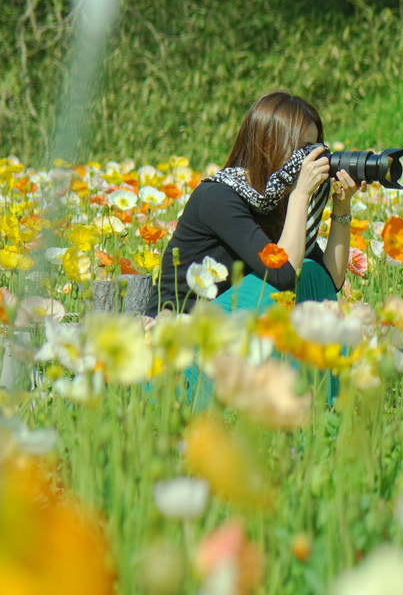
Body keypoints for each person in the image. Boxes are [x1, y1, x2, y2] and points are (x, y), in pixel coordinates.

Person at [144, 90, 364, 406]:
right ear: (266, 146)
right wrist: (301, 196)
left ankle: (321, 405)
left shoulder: (277, 202)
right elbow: (283, 273)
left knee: (311, 272)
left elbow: (329, 280)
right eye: (302, 149)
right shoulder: (220, 197)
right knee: (267, 288)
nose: (311, 159)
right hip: (184, 347)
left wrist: (341, 208)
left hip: (234, 341)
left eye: (316, 148)